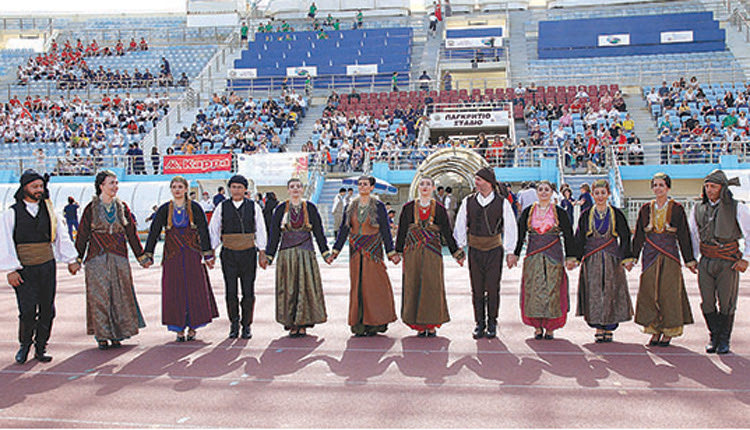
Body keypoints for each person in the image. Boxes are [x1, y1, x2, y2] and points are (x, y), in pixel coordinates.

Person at [0, 171, 79, 364]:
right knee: (27, 310)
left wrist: (71, 259)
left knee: (47, 309)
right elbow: (5, 241)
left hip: (46, 267)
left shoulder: (50, 211)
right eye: (34, 186)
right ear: (24, 188)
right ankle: (24, 345)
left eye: (41, 187)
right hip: (23, 270)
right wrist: (10, 269)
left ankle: (41, 347)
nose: (38, 190)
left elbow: (62, 236)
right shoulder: (11, 213)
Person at [75, 171, 150, 350]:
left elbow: (131, 233)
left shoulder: (122, 207)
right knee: (99, 296)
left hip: (119, 257)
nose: (115, 186)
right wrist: (77, 258)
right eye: (111, 183)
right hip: (96, 258)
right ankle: (102, 335)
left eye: (116, 183)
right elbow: (83, 235)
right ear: (101, 186)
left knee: (120, 295)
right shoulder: (90, 208)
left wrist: (141, 256)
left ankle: (118, 333)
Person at [144, 177, 219, 342]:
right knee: (174, 290)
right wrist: (148, 253)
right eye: (174, 187)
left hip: (192, 254)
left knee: (194, 289)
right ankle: (178, 327)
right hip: (173, 255)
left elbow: (204, 232)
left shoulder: (195, 208)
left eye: (180, 187)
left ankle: (193, 326)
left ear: (186, 189)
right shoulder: (164, 210)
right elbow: (154, 231)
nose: (177, 190)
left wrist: (208, 254)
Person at [326, 176, 401, 336]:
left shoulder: (379, 206)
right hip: (356, 251)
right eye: (360, 184)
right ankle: (359, 324)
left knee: (375, 285)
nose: (362, 187)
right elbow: (344, 230)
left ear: (372, 187)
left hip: (373, 250)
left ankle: (376, 323)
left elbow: (386, 231)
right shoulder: (350, 206)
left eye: (365, 184)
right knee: (358, 285)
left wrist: (391, 252)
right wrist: (335, 252)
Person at [688, 169, 750, 354]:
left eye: (713, 186)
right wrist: (693, 258)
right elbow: (693, 234)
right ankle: (713, 335)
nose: (709, 190)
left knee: (727, 302)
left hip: (728, 261)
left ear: (722, 188)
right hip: (706, 260)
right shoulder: (698, 208)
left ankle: (724, 339)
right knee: (707, 302)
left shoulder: (738, 207)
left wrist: (746, 258)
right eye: (707, 186)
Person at [632, 173, 696, 347]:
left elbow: (683, 235)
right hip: (650, 254)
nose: (658, 188)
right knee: (650, 291)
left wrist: (689, 259)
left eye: (661, 185)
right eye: (655, 185)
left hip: (670, 254)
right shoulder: (645, 208)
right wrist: (633, 257)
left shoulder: (677, 208)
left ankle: (669, 330)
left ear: (668, 187)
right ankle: (654, 329)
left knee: (669, 291)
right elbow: (639, 235)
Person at [395, 177, 465, 337]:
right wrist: (396, 252)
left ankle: (432, 323)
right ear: (418, 188)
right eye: (422, 184)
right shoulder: (407, 208)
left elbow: (447, 232)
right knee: (413, 285)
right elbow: (402, 232)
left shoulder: (439, 209)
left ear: (433, 188)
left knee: (432, 286)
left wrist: (456, 253)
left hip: (433, 253)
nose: (425, 187)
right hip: (412, 253)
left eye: (428, 184)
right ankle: (418, 324)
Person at [453, 167, 517, 339]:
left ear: (489, 182)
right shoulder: (468, 201)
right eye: (476, 180)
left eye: (479, 180)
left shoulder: (502, 202)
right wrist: (460, 247)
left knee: (493, 288)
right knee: (477, 288)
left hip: (494, 250)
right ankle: (479, 323)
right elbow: (460, 224)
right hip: (474, 250)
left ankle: (492, 322)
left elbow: (511, 227)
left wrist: (511, 251)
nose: (476, 183)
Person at [510, 180, 576, 340]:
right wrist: (515, 254)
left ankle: (550, 327)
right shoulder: (528, 212)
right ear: (537, 193)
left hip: (553, 256)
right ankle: (537, 326)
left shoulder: (559, 212)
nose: (544, 192)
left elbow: (568, 234)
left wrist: (570, 257)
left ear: (552, 192)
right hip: (533, 256)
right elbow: (520, 235)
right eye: (541, 190)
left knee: (552, 289)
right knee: (534, 290)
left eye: (547, 189)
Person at [265, 178, 331, 337]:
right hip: (286, 254)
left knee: (306, 288)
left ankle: (304, 323)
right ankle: (291, 322)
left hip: (306, 253)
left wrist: (325, 252)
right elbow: (274, 234)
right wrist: (269, 256)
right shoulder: (281, 209)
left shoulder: (310, 208)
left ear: (302, 189)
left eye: (298, 186)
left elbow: (319, 232)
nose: (295, 189)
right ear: (288, 190)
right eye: (292, 187)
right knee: (289, 288)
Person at [574, 179, 635, 343]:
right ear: (592, 195)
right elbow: (579, 237)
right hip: (592, 258)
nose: (600, 196)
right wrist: (575, 257)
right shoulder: (586, 214)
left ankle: (609, 327)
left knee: (611, 290)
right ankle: (597, 327)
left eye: (603, 193)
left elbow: (625, 236)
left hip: (611, 258)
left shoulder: (616, 213)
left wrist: (626, 257)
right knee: (594, 291)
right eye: (596, 193)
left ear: (608, 194)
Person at [209, 175, 268, 339]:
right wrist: (211, 251)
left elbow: (261, 229)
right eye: (233, 187)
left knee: (248, 291)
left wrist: (262, 251)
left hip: (249, 253)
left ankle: (246, 325)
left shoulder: (254, 206)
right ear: (229, 189)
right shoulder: (222, 206)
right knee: (231, 291)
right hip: (228, 253)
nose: (236, 190)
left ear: (245, 190)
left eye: (240, 187)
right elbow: (214, 229)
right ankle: (234, 323)